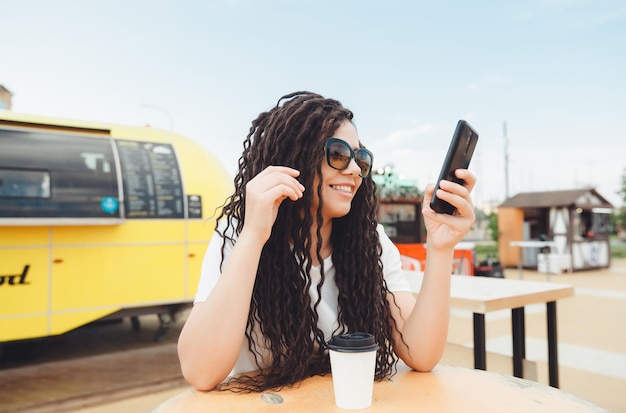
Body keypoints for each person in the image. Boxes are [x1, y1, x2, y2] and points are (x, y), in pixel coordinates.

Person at [177, 91, 476, 392]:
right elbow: (200, 372)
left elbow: (421, 353)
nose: (355, 170)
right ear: (294, 157)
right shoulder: (238, 236)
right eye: (337, 154)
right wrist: (254, 236)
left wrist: (440, 248)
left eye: (361, 158)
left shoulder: (370, 242)